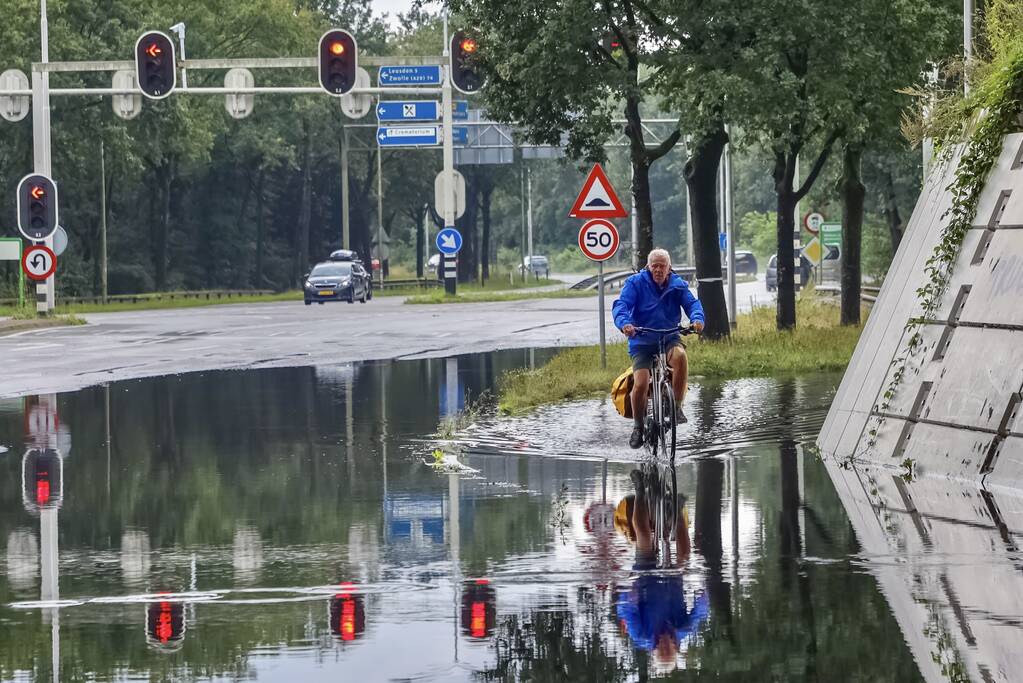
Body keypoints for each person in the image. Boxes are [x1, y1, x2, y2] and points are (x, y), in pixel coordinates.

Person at [612, 249, 705, 449]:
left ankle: (676, 408)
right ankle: (638, 427)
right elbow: (621, 305)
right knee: (641, 382)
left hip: (669, 336)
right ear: (648, 267)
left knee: (680, 357)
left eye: (662, 266)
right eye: (654, 265)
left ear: (669, 268)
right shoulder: (635, 283)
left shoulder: (677, 285)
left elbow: (692, 304)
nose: (658, 270)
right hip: (642, 340)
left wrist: (697, 319)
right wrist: (625, 324)